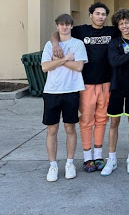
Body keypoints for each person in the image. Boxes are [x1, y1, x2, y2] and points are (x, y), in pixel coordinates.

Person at [52, 2, 119, 173]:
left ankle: (98, 156)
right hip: (86, 83)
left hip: (106, 82)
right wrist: (55, 44)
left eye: (103, 14)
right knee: (86, 120)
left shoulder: (112, 31)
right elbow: (57, 33)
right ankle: (87, 157)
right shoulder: (81, 31)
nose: (100, 17)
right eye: (97, 13)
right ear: (91, 15)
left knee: (102, 119)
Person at [41, 14, 88, 182]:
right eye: (61, 24)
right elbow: (45, 67)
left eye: (67, 24)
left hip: (72, 90)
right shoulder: (49, 45)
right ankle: (53, 165)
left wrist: (61, 60)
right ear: (57, 26)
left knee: (70, 128)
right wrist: (67, 58)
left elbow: (78, 66)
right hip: (52, 91)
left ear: (71, 26)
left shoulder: (78, 44)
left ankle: (69, 163)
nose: (64, 27)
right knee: (52, 130)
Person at [101, 9, 129, 176]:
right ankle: (112, 158)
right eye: (121, 23)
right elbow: (114, 61)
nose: (124, 26)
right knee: (114, 123)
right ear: (118, 26)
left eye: (126, 22)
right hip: (117, 86)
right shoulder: (114, 43)